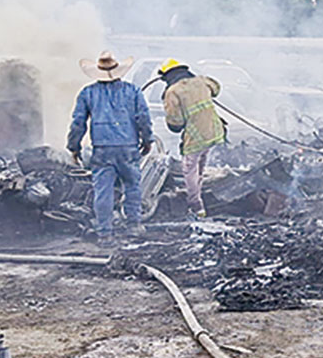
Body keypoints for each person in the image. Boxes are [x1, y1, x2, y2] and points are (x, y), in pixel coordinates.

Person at [66, 51, 153, 245]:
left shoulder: (88, 93)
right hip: (128, 147)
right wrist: (148, 141)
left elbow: (77, 123)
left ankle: (105, 233)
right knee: (132, 186)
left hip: (102, 149)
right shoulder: (133, 91)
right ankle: (134, 226)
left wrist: (74, 148)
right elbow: (144, 119)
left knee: (103, 191)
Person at [157, 59, 226, 218]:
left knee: (189, 169)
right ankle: (199, 191)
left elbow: (175, 122)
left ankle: (196, 206)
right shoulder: (201, 81)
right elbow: (216, 88)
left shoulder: (172, 92)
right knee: (201, 163)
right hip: (214, 130)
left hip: (196, 136)